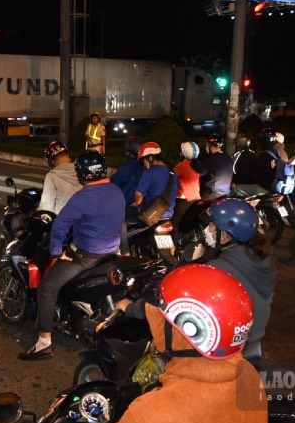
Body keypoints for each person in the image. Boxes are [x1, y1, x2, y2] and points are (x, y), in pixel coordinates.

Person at [3, 264, 268, 423]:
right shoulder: (248, 377)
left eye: (160, 313)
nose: (154, 317)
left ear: (188, 330)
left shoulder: (155, 417)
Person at [18, 151, 125, 360]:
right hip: (112, 252)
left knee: (47, 288)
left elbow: (60, 225)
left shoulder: (83, 197)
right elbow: (121, 222)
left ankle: (44, 343)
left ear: (82, 174)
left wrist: (57, 251)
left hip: (87, 255)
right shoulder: (116, 191)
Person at [202, 198, 276, 365]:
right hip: (254, 346)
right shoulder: (262, 258)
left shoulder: (217, 269)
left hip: (231, 352)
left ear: (227, 233)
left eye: (211, 226)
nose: (206, 230)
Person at [119, 142, 178, 255]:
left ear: (150, 158)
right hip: (168, 215)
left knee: (121, 220)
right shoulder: (172, 173)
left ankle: (125, 252)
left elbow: (139, 195)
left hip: (149, 215)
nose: (144, 163)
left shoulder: (149, 172)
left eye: (144, 160)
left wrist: (135, 204)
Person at [38, 141, 82, 214]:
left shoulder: (52, 176)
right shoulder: (81, 171)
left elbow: (46, 207)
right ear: (67, 154)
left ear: (51, 161)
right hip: (82, 220)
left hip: (61, 221)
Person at [191, 132, 233, 201]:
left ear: (211, 147)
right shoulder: (228, 158)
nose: (206, 147)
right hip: (226, 193)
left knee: (193, 202)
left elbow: (199, 172)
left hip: (212, 194)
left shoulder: (212, 159)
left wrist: (194, 159)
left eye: (207, 145)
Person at [110, 135, 144, 205]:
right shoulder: (148, 167)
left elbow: (111, 187)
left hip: (125, 207)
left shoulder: (124, 169)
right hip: (142, 206)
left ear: (128, 153)